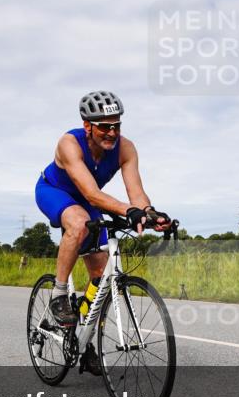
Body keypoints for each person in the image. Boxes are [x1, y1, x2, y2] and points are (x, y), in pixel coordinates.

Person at [35, 91, 171, 372]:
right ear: (88, 126)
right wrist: (127, 211)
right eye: (104, 126)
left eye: (116, 125)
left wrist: (150, 214)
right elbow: (90, 192)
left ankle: (84, 343)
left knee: (100, 279)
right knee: (78, 221)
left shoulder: (126, 148)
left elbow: (136, 193)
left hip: (89, 201)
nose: (112, 132)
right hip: (55, 191)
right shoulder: (69, 143)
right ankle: (59, 294)